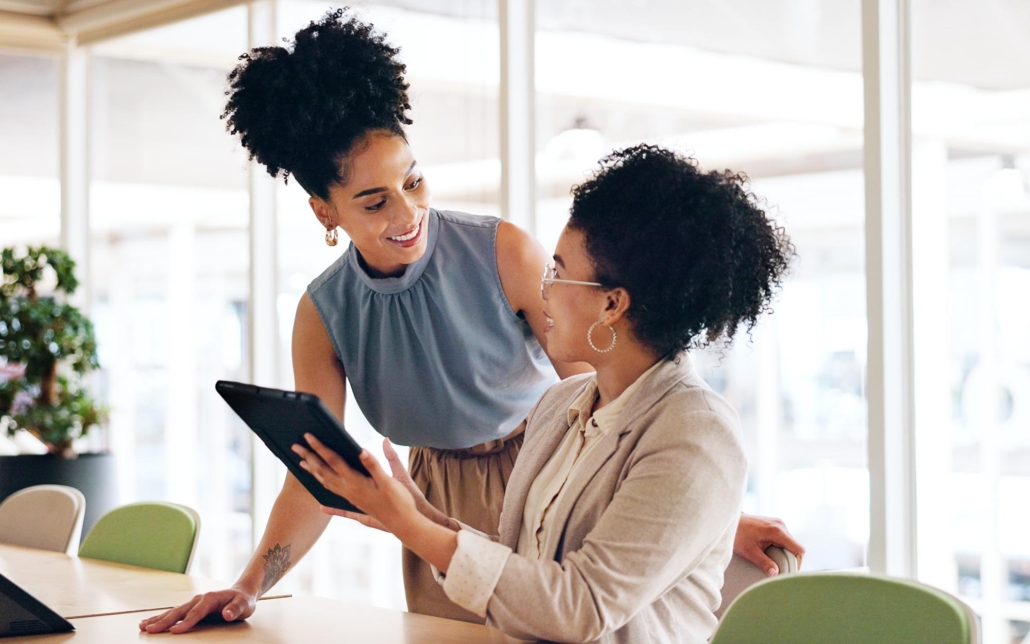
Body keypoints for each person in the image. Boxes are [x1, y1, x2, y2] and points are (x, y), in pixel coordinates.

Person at [139, 9, 802, 635]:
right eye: (373, 202)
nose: (405, 214)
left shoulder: (507, 255)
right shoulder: (324, 312)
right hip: (437, 501)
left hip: (537, 480)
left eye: (414, 181)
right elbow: (317, 473)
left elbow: (611, 416)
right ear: (326, 211)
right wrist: (254, 583)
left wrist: (709, 518)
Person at [293, 143, 795, 643]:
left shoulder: (696, 431)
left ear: (612, 304)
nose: (543, 288)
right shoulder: (560, 407)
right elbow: (523, 564)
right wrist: (415, 512)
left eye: (557, 271)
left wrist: (416, 528)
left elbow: (580, 607)